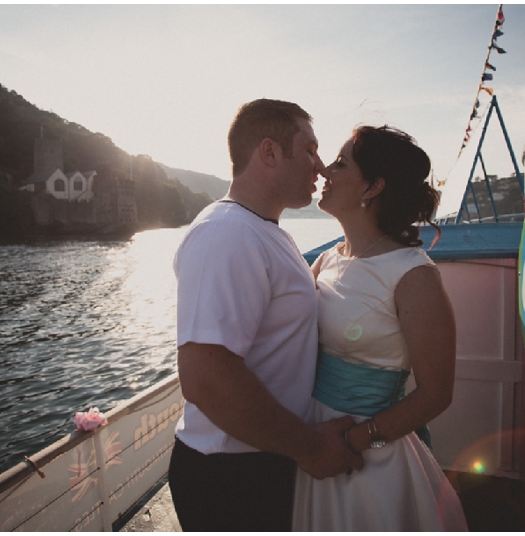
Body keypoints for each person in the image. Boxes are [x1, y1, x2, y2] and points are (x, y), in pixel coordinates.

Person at [168, 99, 364, 532]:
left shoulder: (266, 232)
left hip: (263, 457)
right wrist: (311, 447)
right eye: (310, 150)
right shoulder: (226, 234)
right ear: (270, 152)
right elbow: (205, 377)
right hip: (230, 477)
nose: (320, 167)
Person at [292, 125, 468, 531]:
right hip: (315, 444)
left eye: (340, 163)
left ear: (372, 187)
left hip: (369, 459)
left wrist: (351, 442)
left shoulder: (413, 275)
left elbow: (436, 394)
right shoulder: (327, 261)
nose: (324, 170)